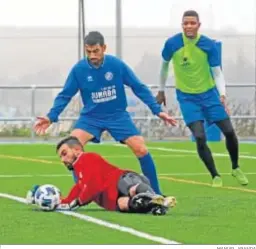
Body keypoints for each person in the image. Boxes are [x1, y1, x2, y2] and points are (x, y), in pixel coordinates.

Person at [34, 31, 177, 195]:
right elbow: (65, 95)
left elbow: (138, 87)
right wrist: (51, 116)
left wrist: (158, 111)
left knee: (141, 149)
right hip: (91, 117)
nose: (92, 55)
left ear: (104, 48)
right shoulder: (79, 70)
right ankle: (83, 192)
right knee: (72, 148)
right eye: (88, 52)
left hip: (117, 116)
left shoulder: (116, 65)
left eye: (96, 51)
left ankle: (156, 194)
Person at [156, 10, 248, 187]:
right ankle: (215, 175)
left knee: (229, 131)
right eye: (185, 23)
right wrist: (161, 90)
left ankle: (235, 167)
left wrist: (222, 95)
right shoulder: (172, 44)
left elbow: (217, 72)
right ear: (182, 25)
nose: (189, 26)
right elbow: (164, 67)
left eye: (192, 23)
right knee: (199, 136)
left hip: (210, 95)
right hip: (187, 98)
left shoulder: (208, 45)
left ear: (199, 25)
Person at [30, 136, 176, 215]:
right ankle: (154, 205)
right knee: (125, 204)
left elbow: (94, 185)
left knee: (131, 189)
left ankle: (153, 196)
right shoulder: (79, 174)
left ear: (77, 150)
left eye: (64, 154)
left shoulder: (87, 158)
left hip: (122, 179)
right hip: (113, 198)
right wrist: (40, 196)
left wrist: (78, 202)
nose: (63, 160)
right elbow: (71, 197)